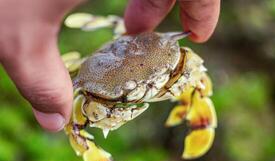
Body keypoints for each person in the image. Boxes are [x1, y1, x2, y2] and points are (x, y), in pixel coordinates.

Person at [0, 0, 220, 132]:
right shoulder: (88, 81)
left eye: (160, 77)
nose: (149, 90)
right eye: (133, 89)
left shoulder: (175, 55)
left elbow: (190, 66)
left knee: (196, 81)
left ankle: (195, 116)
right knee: (76, 125)